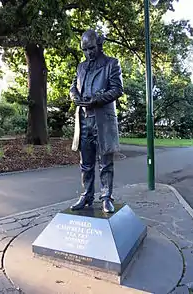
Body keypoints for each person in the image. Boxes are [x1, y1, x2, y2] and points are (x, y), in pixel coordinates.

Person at [70, 29, 123, 213]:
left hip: (102, 121)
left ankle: (106, 196)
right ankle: (87, 195)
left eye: (91, 48)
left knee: (105, 161)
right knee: (85, 162)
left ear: (99, 45)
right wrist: (74, 95)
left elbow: (117, 89)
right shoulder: (81, 67)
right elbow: (73, 86)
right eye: (84, 50)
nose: (88, 53)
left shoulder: (111, 64)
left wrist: (97, 100)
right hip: (83, 120)